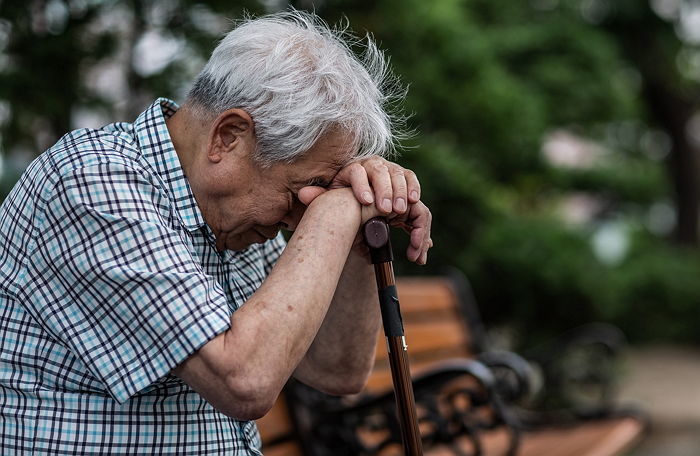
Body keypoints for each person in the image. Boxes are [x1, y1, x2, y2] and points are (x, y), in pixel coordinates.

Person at [0, 10, 432, 455]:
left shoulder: (228, 213)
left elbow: (336, 371)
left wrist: (362, 220)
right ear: (228, 137)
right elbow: (245, 380)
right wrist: (335, 211)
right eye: (304, 189)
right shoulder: (94, 182)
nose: (301, 213)